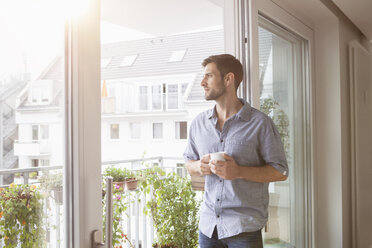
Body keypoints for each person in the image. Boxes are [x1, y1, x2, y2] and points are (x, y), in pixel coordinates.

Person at [183, 54, 288, 248]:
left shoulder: (260, 123)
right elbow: (188, 162)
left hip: (244, 229)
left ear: (228, 79)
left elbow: (280, 171)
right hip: (208, 227)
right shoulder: (199, 123)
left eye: (209, 76)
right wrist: (198, 166)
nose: (202, 83)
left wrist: (239, 171)